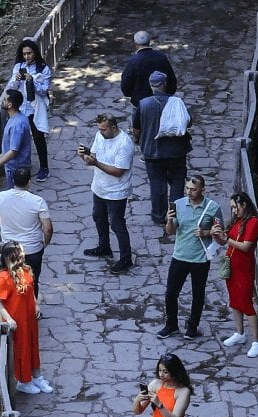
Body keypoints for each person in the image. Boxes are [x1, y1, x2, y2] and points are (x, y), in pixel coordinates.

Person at [158, 176, 222, 339]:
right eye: (187, 188)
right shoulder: (179, 204)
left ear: (202, 190)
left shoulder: (213, 207)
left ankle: (192, 326)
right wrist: (170, 219)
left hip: (200, 259)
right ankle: (171, 324)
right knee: (171, 293)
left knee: (198, 294)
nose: (189, 192)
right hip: (179, 255)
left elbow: (221, 235)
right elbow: (171, 231)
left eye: (193, 189)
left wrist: (206, 232)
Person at [132, 71, 192, 226]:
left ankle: (159, 215)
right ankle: (174, 215)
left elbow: (136, 128)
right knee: (177, 183)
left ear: (151, 85)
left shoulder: (143, 104)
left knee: (157, 184)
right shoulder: (177, 102)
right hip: (176, 151)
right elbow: (188, 122)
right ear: (165, 84)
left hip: (153, 152)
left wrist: (137, 140)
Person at [0, 241, 52, 394]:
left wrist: (35, 304)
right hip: (16, 320)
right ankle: (23, 380)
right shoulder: (3, 278)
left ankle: (36, 376)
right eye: (20, 254)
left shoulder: (25, 270)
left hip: (29, 318)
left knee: (32, 347)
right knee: (21, 350)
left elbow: (30, 289)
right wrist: (9, 319)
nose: (24, 256)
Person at [78, 114, 135, 274]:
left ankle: (126, 258)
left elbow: (118, 171)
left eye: (103, 129)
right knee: (98, 217)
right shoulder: (100, 135)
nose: (100, 132)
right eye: (99, 129)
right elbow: (95, 156)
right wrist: (85, 156)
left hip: (116, 192)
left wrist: (95, 163)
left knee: (117, 224)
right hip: (100, 187)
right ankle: (104, 247)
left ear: (114, 127)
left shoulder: (124, 144)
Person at [213, 192, 258, 357]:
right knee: (234, 300)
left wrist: (226, 238)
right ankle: (239, 333)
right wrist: (218, 235)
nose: (234, 211)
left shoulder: (253, 222)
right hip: (232, 267)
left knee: (246, 303)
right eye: (232, 208)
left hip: (244, 269)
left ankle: (257, 341)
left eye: (236, 207)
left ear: (244, 205)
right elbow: (225, 240)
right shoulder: (237, 221)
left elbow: (246, 246)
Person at [0, 167, 53, 298]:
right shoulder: (38, 202)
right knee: (33, 281)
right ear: (29, 182)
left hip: (9, 249)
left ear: (13, 180)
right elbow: (47, 228)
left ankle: (13, 308)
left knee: (10, 280)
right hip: (32, 249)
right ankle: (32, 309)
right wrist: (44, 243)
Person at [8, 40, 52, 182]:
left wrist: (32, 81)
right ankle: (22, 164)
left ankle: (44, 167)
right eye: (24, 54)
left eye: (29, 53)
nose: (27, 56)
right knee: (19, 137)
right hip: (20, 108)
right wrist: (17, 79)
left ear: (35, 53)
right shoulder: (18, 66)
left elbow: (44, 89)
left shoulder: (43, 69)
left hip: (34, 107)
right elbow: (12, 88)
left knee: (38, 137)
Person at [0, 90, 33, 189]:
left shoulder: (17, 124)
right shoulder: (18, 117)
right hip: (16, 166)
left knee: (15, 195)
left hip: (15, 168)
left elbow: (13, 151)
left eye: (4, 100)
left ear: (10, 105)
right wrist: (1, 155)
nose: (2, 101)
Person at [120, 30, 177, 110]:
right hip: (160, 102)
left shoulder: (133, 61)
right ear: (149, 42)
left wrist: (131, 95)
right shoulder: (161, 57)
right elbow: (171, 79)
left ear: (136, 44)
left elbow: (126, 83)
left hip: (140, 103)